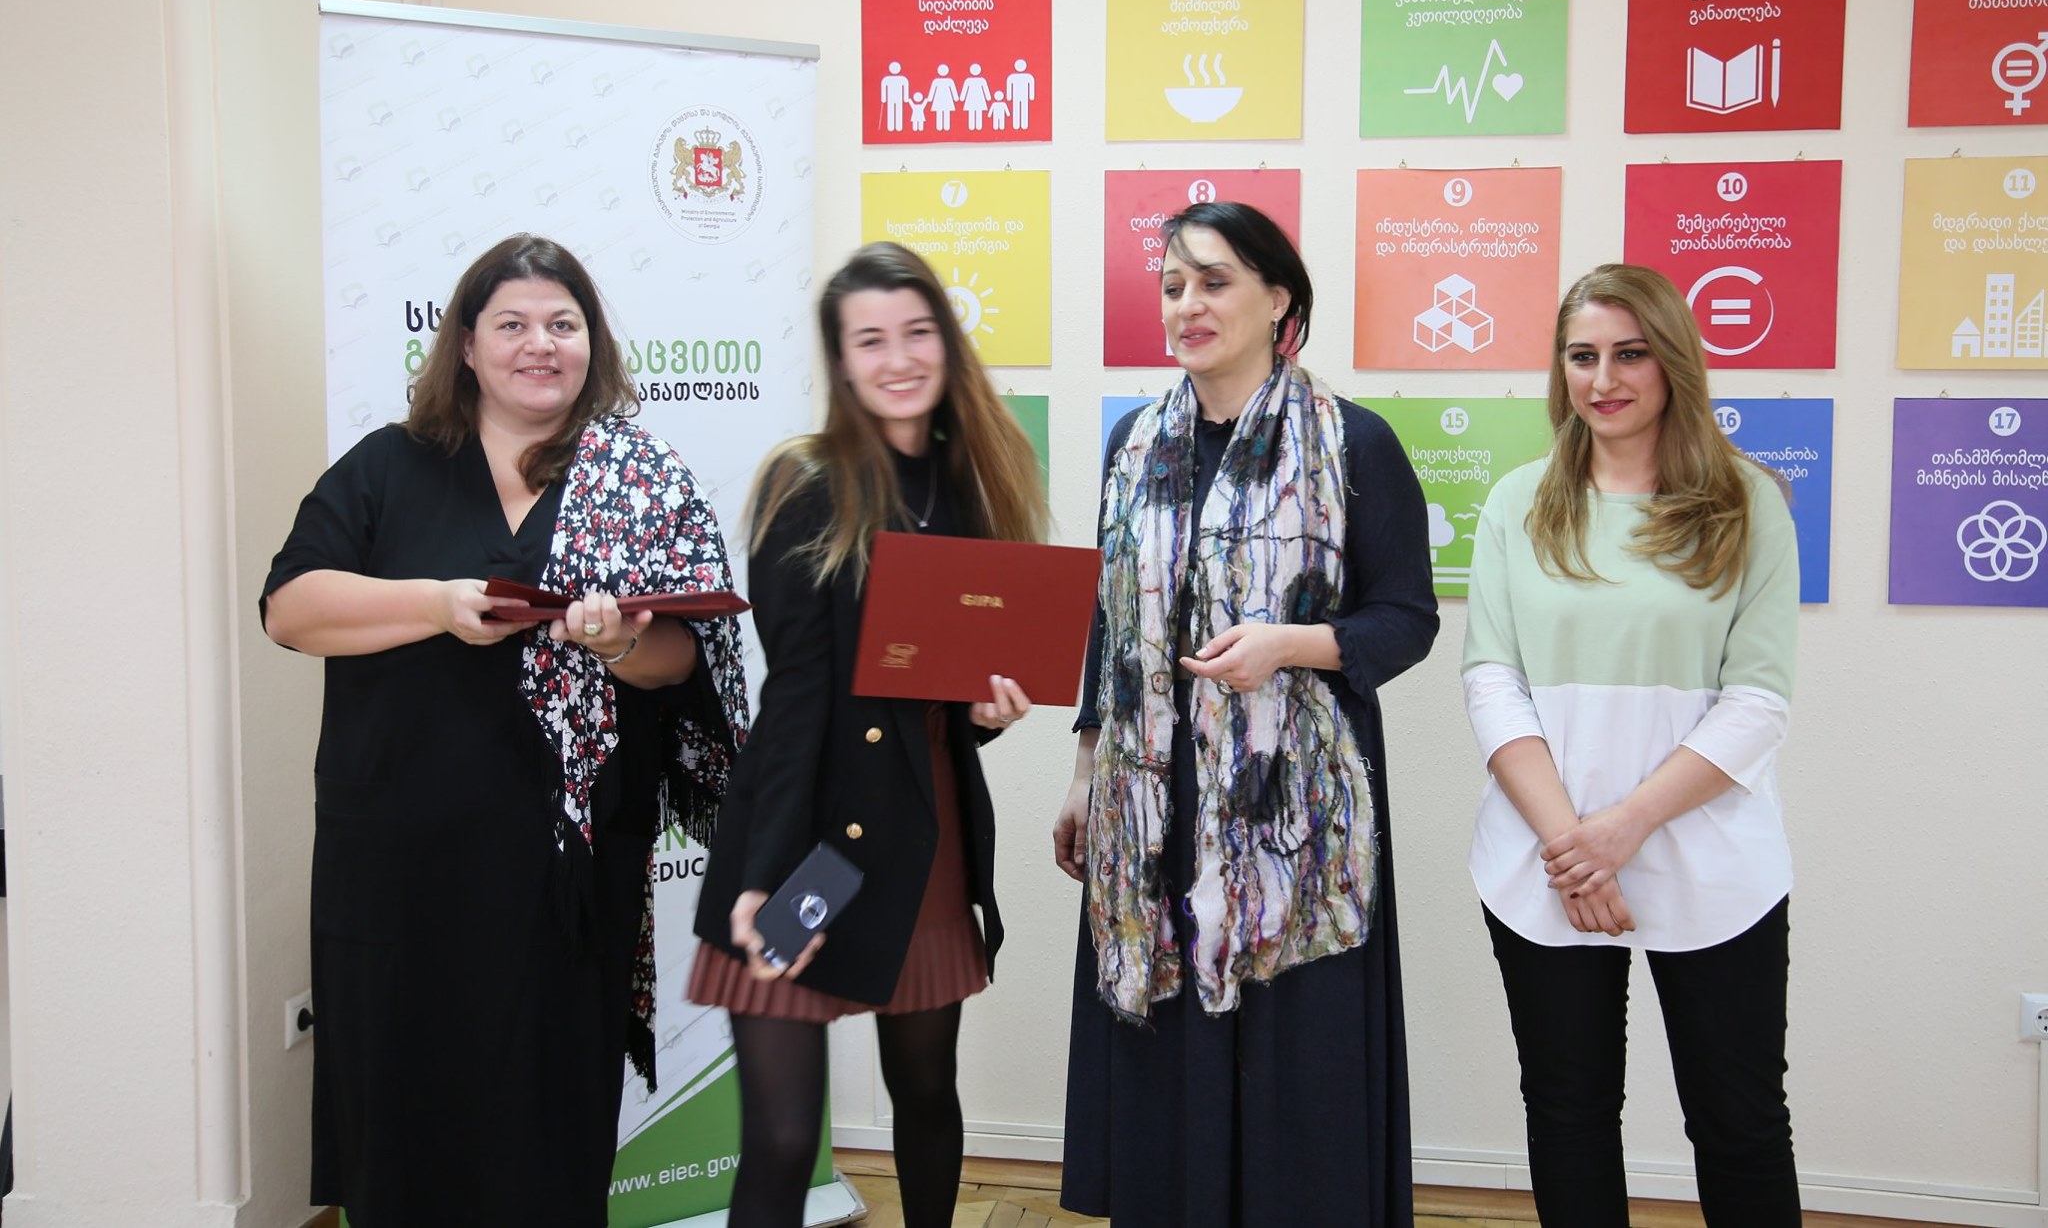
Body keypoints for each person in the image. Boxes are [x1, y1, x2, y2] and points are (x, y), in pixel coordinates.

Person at [262, 234, 748, 1227]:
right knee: (404, 1118)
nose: (541, 344)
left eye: (563, 323)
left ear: (591, 342)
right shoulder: (389, 465)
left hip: (565, 873)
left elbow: (683, 662)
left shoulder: (641, 477)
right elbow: (290, 608)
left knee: (548, 1126)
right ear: (467, 346)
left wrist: (617, 642)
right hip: (401, 862)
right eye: (513, 323)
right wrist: (435, 603)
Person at [1054, 201, 1438, 1227]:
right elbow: (1111, 621)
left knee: (1291, 1072)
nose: (1187, 304)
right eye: (1172, 285)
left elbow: (1406, 618)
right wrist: (1085, 772)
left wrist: (1290, 646)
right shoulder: (1134, 444)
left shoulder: (1353, 443)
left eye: (1214, 282)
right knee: (1166, 1065)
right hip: (1155, 811)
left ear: (1277, 300)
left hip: (1289, 820)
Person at [690, 241, 1049, 1228]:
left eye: (916, 332)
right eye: (870, 340)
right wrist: (763, 878)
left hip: (918, 835)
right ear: (842, 362)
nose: (898, 358)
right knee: (779, 1135)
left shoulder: (974, 484)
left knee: (926, 1094)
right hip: (806, 842)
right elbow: (797, 695)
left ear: (947, 342)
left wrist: (980, 715)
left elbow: (942, 695)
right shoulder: (805, 482)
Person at [1462, 263, 1802, 1226]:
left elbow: (1758, 701)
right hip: (1546, 860)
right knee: (1568, 1112)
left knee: (1738, 1121)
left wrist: (1621, 829)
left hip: (1708, 856)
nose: (1603, 379)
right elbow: (1491, 681)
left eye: (1630, 354)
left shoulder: (1749, 502)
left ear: (1673, 362)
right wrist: (1571, 845)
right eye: (1582, 356)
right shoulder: (1518, 502)